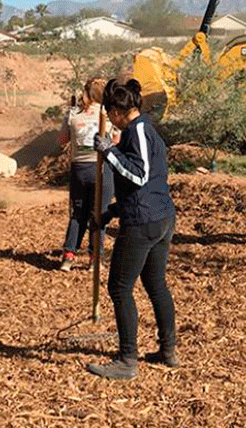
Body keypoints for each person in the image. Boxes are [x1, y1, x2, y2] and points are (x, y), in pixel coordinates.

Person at [86, 78, 177, 380]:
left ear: (115, 111)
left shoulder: (138, 132)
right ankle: (167, 350)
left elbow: (138, 176)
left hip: (144, 222)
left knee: (120, 288)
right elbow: (141, 186)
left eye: (108, 113)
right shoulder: (144, 128)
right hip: (158, 215)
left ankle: (127, 360)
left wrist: (109, 152)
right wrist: (109, 213)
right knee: (155, 284)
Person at [58, 77, 116, 272]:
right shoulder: (108, 113)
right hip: (101, 169)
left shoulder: (72, 113)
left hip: (79, 169)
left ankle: (68, 256)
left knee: (77, 214)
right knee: (98, 215)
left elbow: (62, 140)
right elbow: (116, 140)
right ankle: (95, 258)